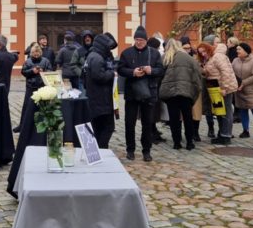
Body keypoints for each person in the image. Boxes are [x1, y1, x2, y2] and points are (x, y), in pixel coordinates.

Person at [118, 26, 164, 162]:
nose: (139, 42)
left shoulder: (154, 54)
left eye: (142, 40)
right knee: (129, 123)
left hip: (148, 93)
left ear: (146, 40)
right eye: (137, 39)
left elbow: (161, 70)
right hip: (132, 93)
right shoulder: (126, 53)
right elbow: (120, 69)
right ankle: (130, 150)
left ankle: (146, 151)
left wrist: (151, 71)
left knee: (147, 123)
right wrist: (132, 72)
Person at [159, 38, 202, 150]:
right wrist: (196, 90)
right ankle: (189, 142)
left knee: (174, 119)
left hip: (170, 93)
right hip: (186, 92)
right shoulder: (189, 58)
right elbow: (197, 75)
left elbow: (159, 76)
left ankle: (176, 142)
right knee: (188, 118)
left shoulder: (165, 58)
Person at [83, 32, 118, 148]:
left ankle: (98, 148)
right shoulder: (97, 58)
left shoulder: (92, 55)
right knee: (108, 127)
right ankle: (102, 148)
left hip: (95, 98)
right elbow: (99, 76)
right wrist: (112, 73)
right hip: (101, 99)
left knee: (97, 126)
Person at [201, 42, 238, 145]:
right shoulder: (210, 58)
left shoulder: (218, 56)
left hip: (222, 88)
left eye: (204, 51)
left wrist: (224, 88)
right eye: (201, 53)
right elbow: (211, 72)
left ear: (209, 49)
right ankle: (222, 134)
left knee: (225, 111)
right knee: (219, 112)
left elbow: (226, 72)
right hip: (214, 87)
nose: (203, 54)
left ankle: (226, 136)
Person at [20, 43, 53, 118]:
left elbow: (50, 71)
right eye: (34, 52)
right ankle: (23, 124)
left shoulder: (46, 61)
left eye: (37, 52)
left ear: (40, 52)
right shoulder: (27, 61)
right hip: (31, 87)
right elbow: (23, 72)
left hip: (42, 87)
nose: (36, 54)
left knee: (42, 107)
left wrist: (43, 71)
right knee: (27, 106)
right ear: (31, 53)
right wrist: (32, 71)